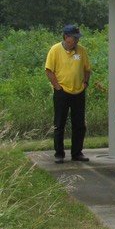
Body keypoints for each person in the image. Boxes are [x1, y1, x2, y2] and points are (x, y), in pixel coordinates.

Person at [45, 24, 91, 164]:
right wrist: (57, 87)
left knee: (79, 124)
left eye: (78, 38)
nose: (76, 41)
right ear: (66, 37)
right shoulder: (55, 50)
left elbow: (87, 69)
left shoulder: (81, 51)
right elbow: (49, 70)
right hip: (62, 92)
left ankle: (77, 152)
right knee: (59, 123)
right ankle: (59, 153)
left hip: (78, 92)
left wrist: (85, 83)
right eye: (74, 38)